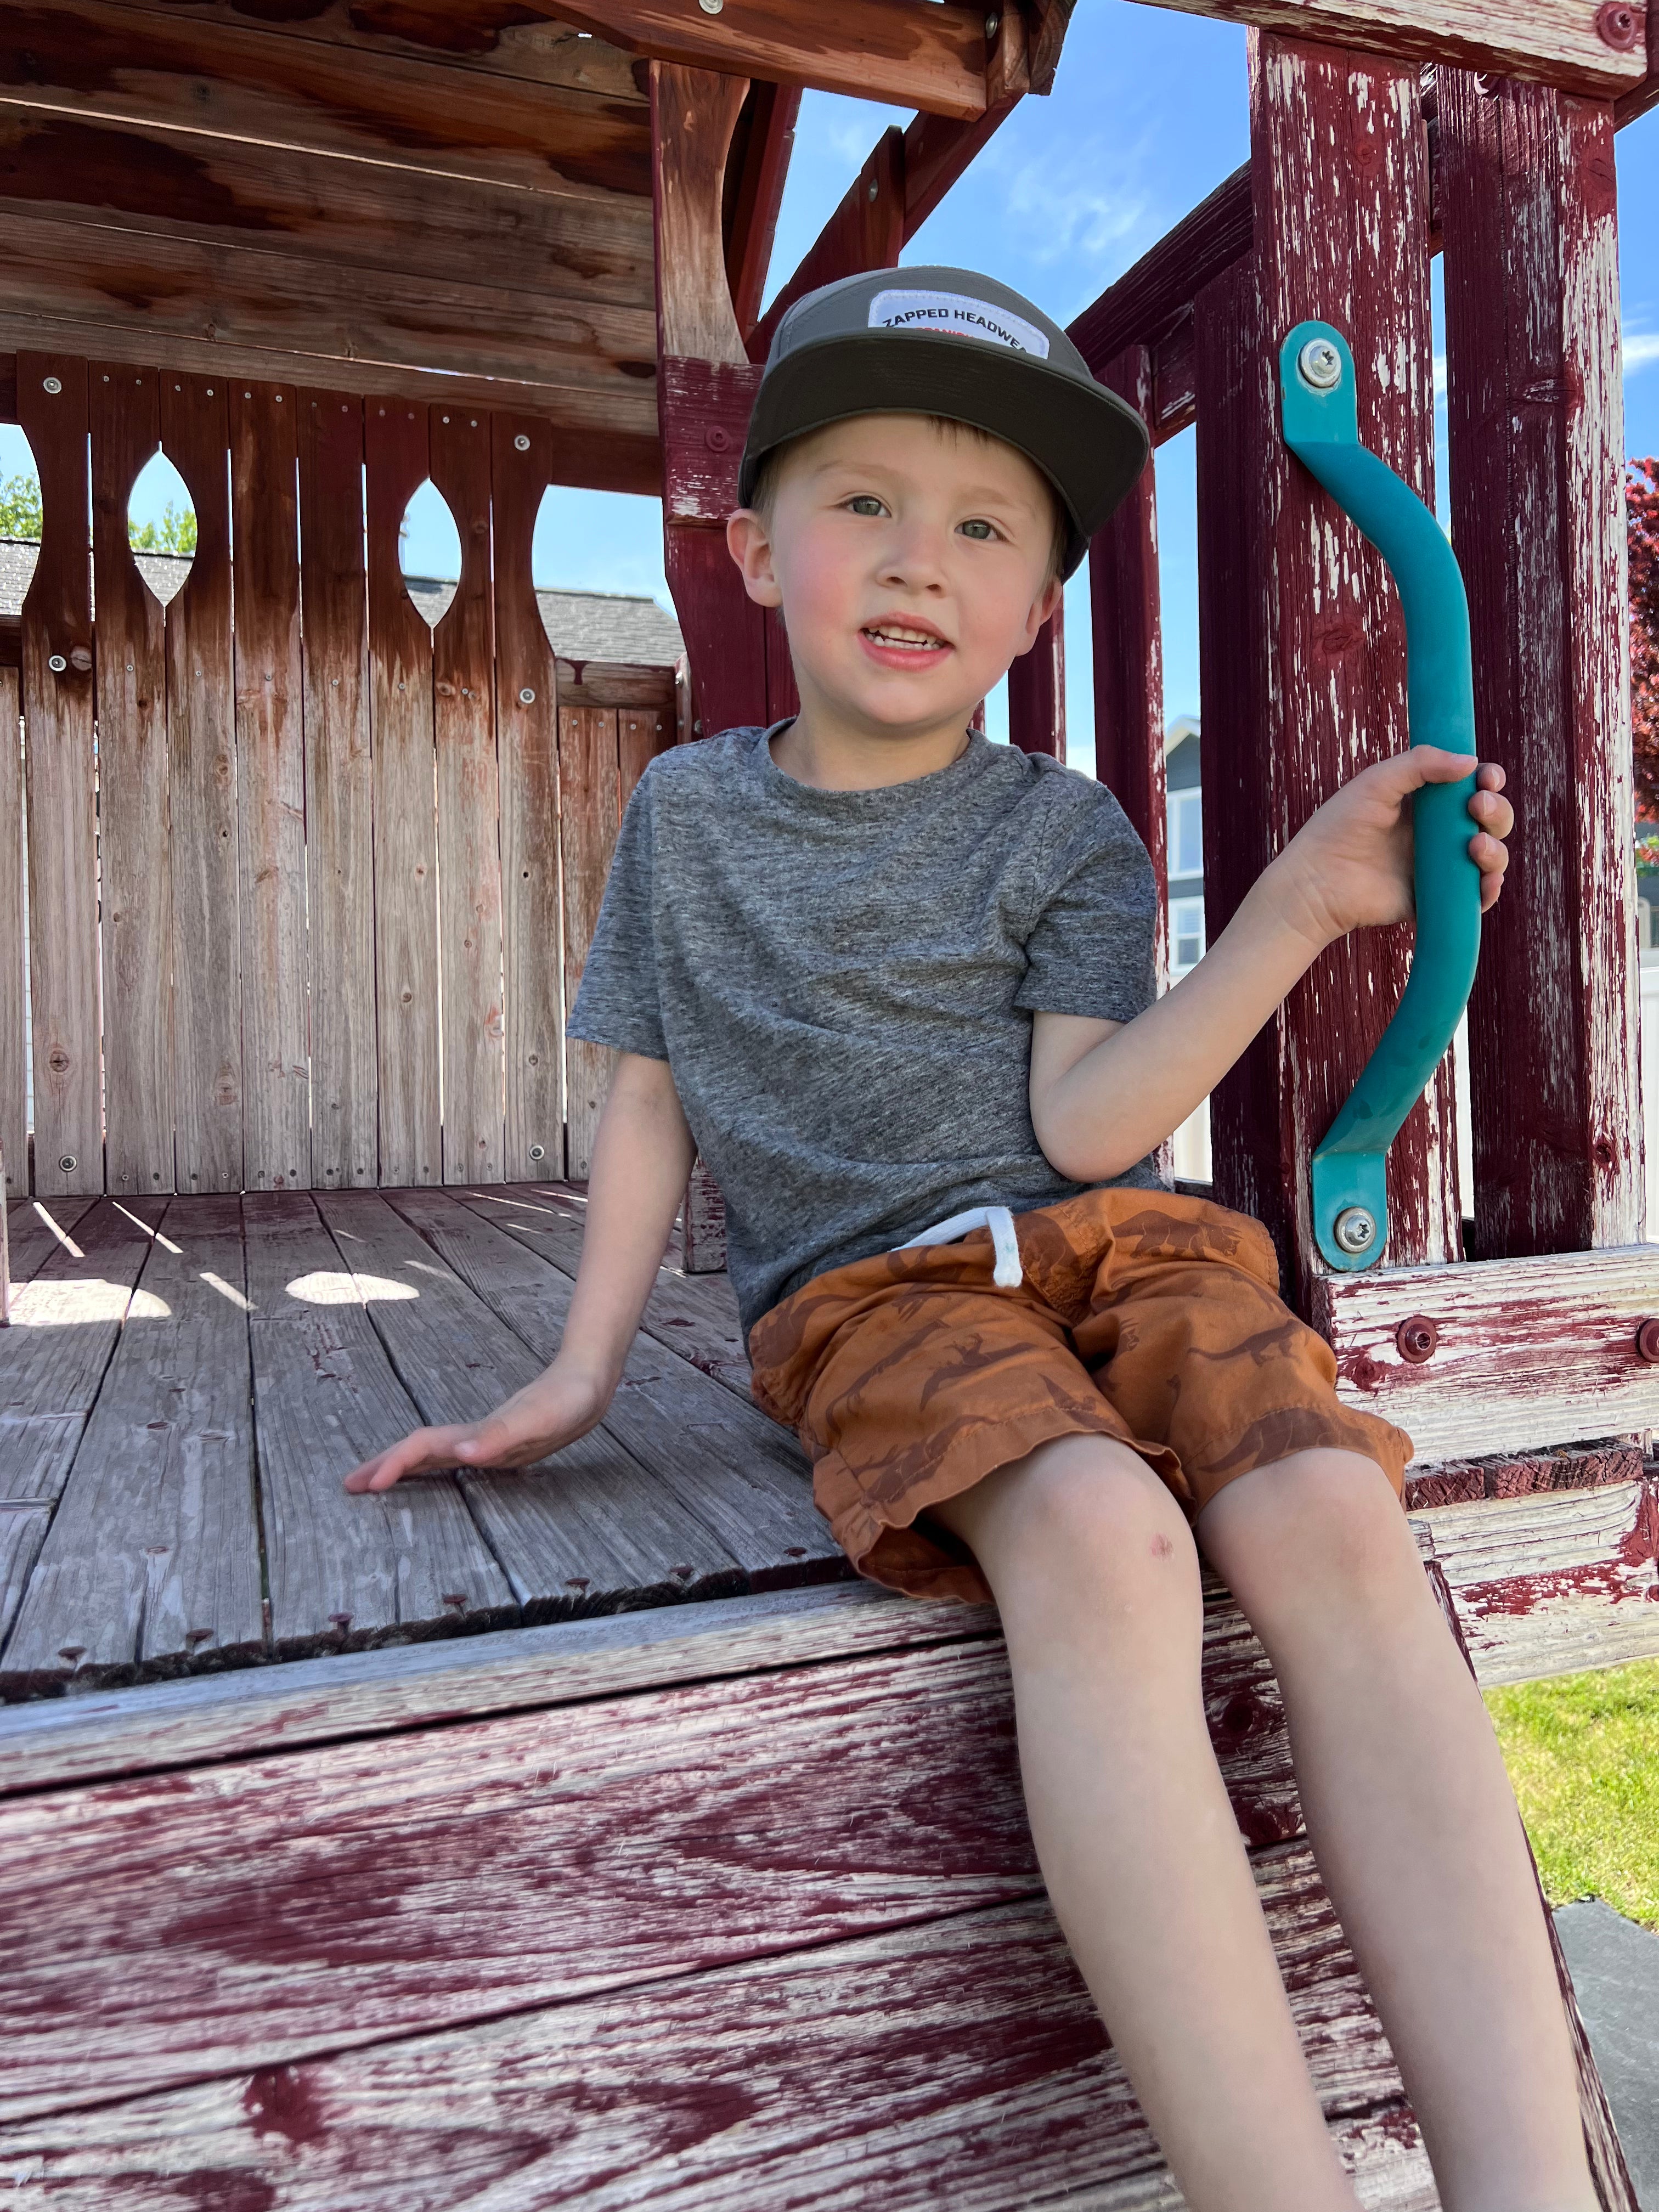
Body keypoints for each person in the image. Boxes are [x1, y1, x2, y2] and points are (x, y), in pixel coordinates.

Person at [342, 269, 1595, 2212]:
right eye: (867, 503)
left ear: (1032, 607)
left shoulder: (1069, 832)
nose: (923, 559)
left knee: (1333, 1519)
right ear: (758, 550)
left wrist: (1286, 911)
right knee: (1102, 1537)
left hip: (1131, 1242)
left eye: (987, 527)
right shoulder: (685, 817)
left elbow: (1089, 1128)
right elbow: (655, 1086)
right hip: (872, 1294)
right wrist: (580, 1369)